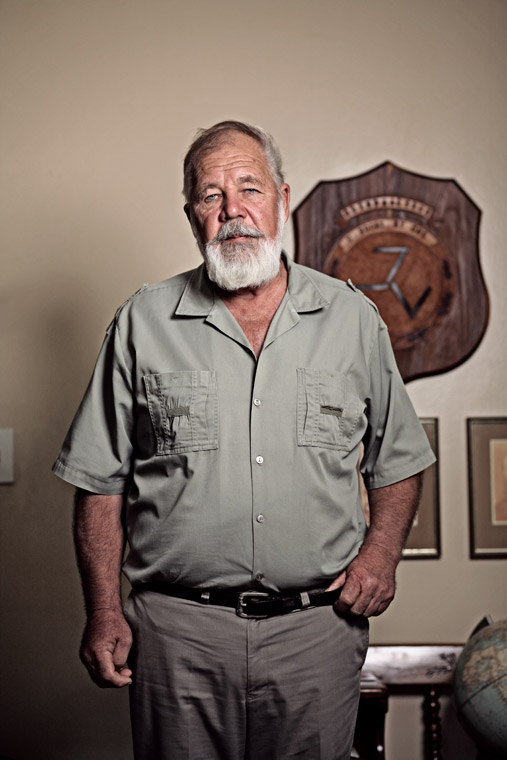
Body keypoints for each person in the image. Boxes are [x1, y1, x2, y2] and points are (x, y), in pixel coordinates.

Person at [53, 120, 436, 760]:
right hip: (177, 638)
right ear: (192, 217)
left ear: (281, 199)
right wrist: (103, 611)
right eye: (211, 195)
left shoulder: (352, 320)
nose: (233, 209)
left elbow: (398, 459)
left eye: (249, 188)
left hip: (316, 633)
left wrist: (381, 554)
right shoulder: (142, 322)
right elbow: (99, 481)